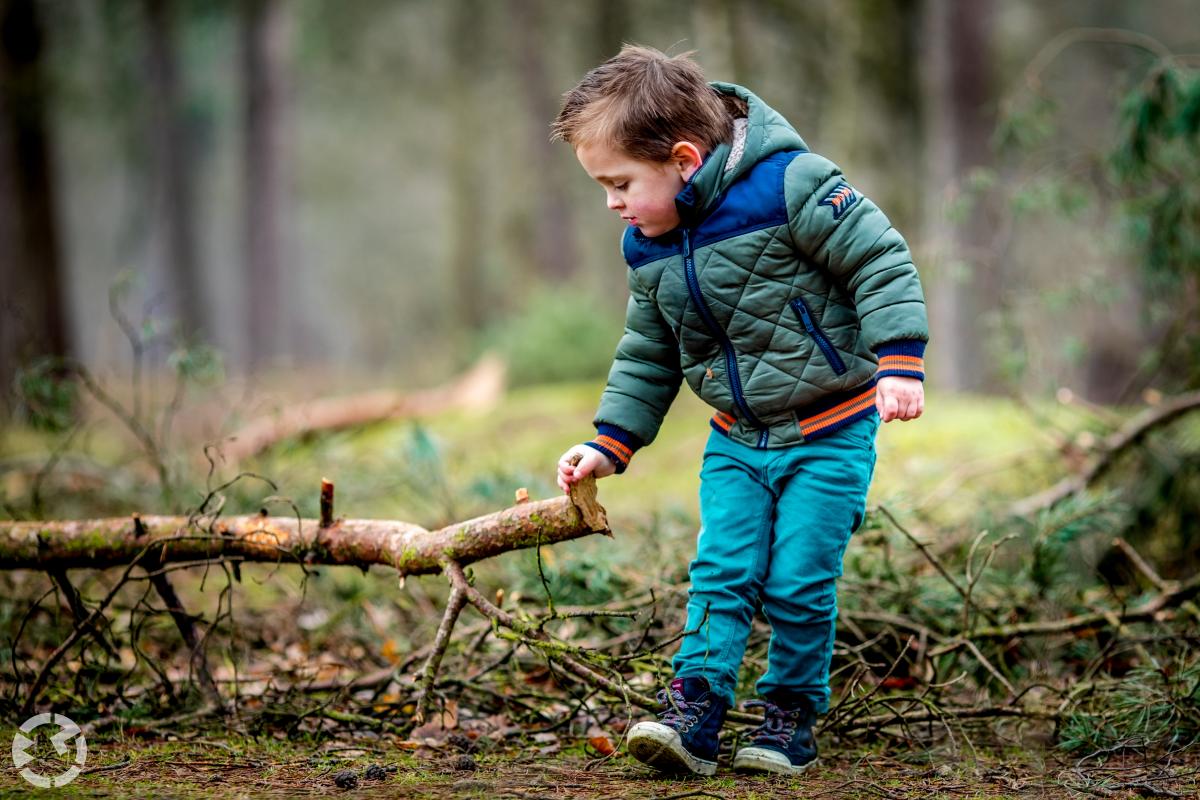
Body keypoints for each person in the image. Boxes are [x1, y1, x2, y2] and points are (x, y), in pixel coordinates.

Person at [551, 45, 928, 777]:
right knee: (721, 571)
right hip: (736, 441)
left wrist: (899, 360)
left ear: (685, 160)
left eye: (621, 182)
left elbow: (879, 259)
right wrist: (609, 442)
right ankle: (695, 712)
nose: (613, 203)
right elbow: (647, 350)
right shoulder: (649, 246)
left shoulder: (793, 186)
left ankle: (788, 717)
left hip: (831, 431)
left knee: (798, 579)